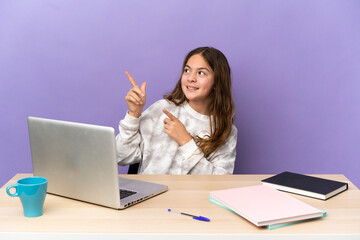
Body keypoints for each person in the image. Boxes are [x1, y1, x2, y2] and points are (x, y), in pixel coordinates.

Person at [116, 47, 237, 174]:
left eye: (201, 73)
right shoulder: (161, 110)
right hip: (150, 192)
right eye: (187, 70)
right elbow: (121, 156)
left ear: (217, 82)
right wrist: (133, 115)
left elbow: (220, 180)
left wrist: (186, 141)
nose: (191, 78)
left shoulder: (225, 130)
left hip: (191, 194)